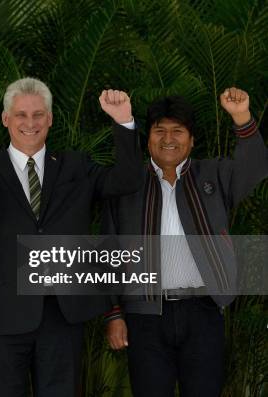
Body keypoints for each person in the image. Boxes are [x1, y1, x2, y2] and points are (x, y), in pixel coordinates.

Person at [0, 77, 143, 397]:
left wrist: (123, 120)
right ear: (6, 119)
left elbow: (127, 179)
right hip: (0, 320)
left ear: (50, 119)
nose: (30, 123)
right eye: (21, 115)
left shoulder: (76, 166)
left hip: (62, 318)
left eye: (38, 114)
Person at [103, 88, 268, 397]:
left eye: (178, 131)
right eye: (160, 130)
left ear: (191, 140)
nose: (169, 138)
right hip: (144, 316)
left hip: (204, 311)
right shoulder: (127, 185)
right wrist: (114, 314)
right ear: (148, 138)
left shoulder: (213, 176)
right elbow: (110, 251)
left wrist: (241, 116)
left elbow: (256, 168)